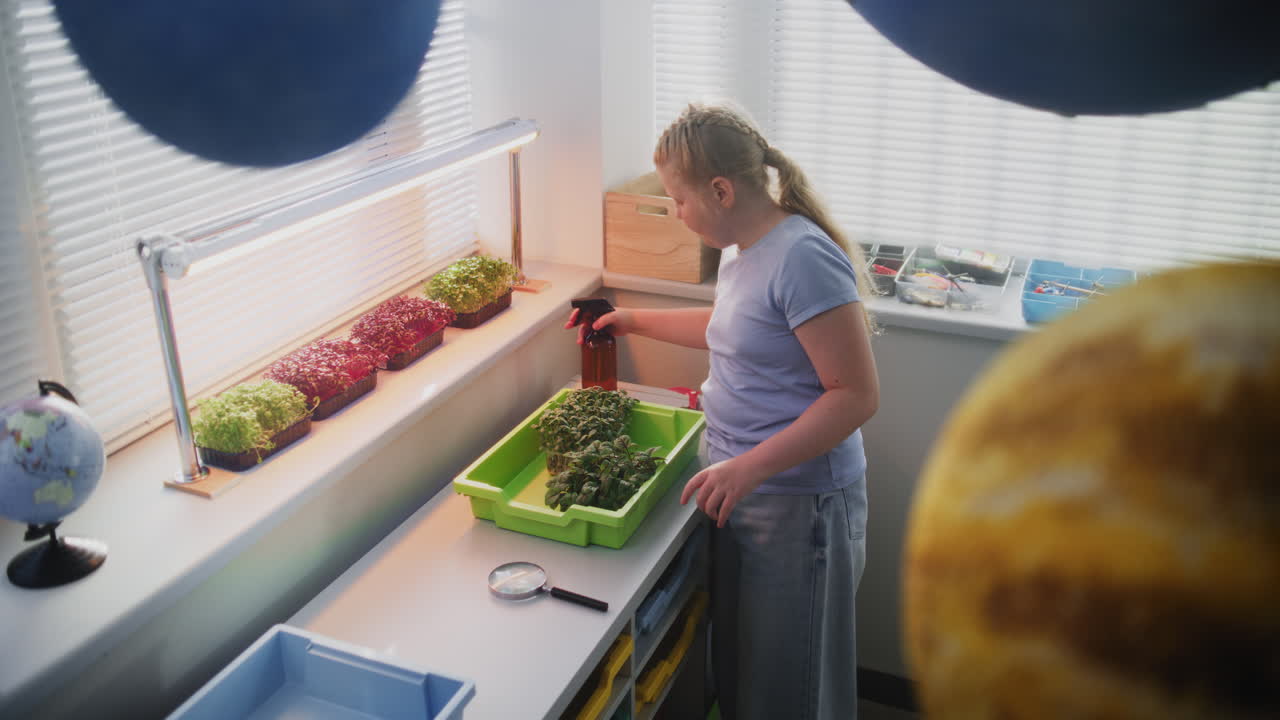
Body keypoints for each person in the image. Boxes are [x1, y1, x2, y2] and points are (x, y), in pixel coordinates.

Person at [568, 103, 880, 720]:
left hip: (797, 502)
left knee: (789, 689)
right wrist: (631, 319)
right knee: (745, 670)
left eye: (679, 200)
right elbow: (734, 327)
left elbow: (855, 396)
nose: (677, 214)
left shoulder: (803, 257)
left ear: (721, 190)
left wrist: (749, 467)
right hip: (742, 486)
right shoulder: (743, 248)